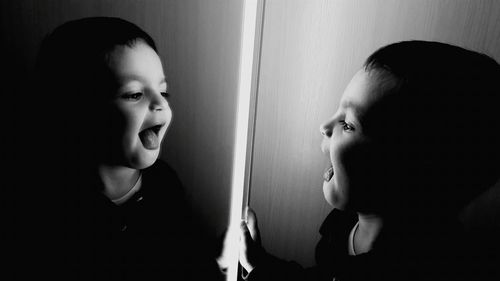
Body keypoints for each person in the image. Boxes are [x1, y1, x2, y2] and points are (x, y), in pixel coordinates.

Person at [223, 41, 500, 281]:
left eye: (348, 124)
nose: (324, 125)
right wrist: (258, 264)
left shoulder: (422, 269)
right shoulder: (346, 221)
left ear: (405, 173)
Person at [23, 17, 223, 281]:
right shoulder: (51, 210)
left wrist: (217, 261)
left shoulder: (163, 185)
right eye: (134, 94)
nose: (159, 104)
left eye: (163, 92)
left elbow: (186, 258)